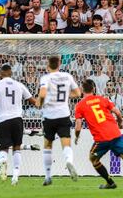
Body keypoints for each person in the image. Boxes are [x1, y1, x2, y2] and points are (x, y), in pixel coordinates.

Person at [0, 64, 36, 185]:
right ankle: (15, 177)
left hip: (3, 120)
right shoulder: (20, 85)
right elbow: (34, 102)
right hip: (18, 120)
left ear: (0, 74)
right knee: (17, 147)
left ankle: (3, 161)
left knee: (3, 148)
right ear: (11, 73)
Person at [37, 56, 81, 186]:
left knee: (48, 146)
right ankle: (69, 161)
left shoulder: (46, 78)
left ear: (48, 66)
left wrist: (40, 102)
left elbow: (43, 94)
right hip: (63, 115)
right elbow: (78, 93)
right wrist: (66, 96)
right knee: (66, 144)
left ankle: (48, 176)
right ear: (59, 64)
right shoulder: (67, 76)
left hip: (49, 116)